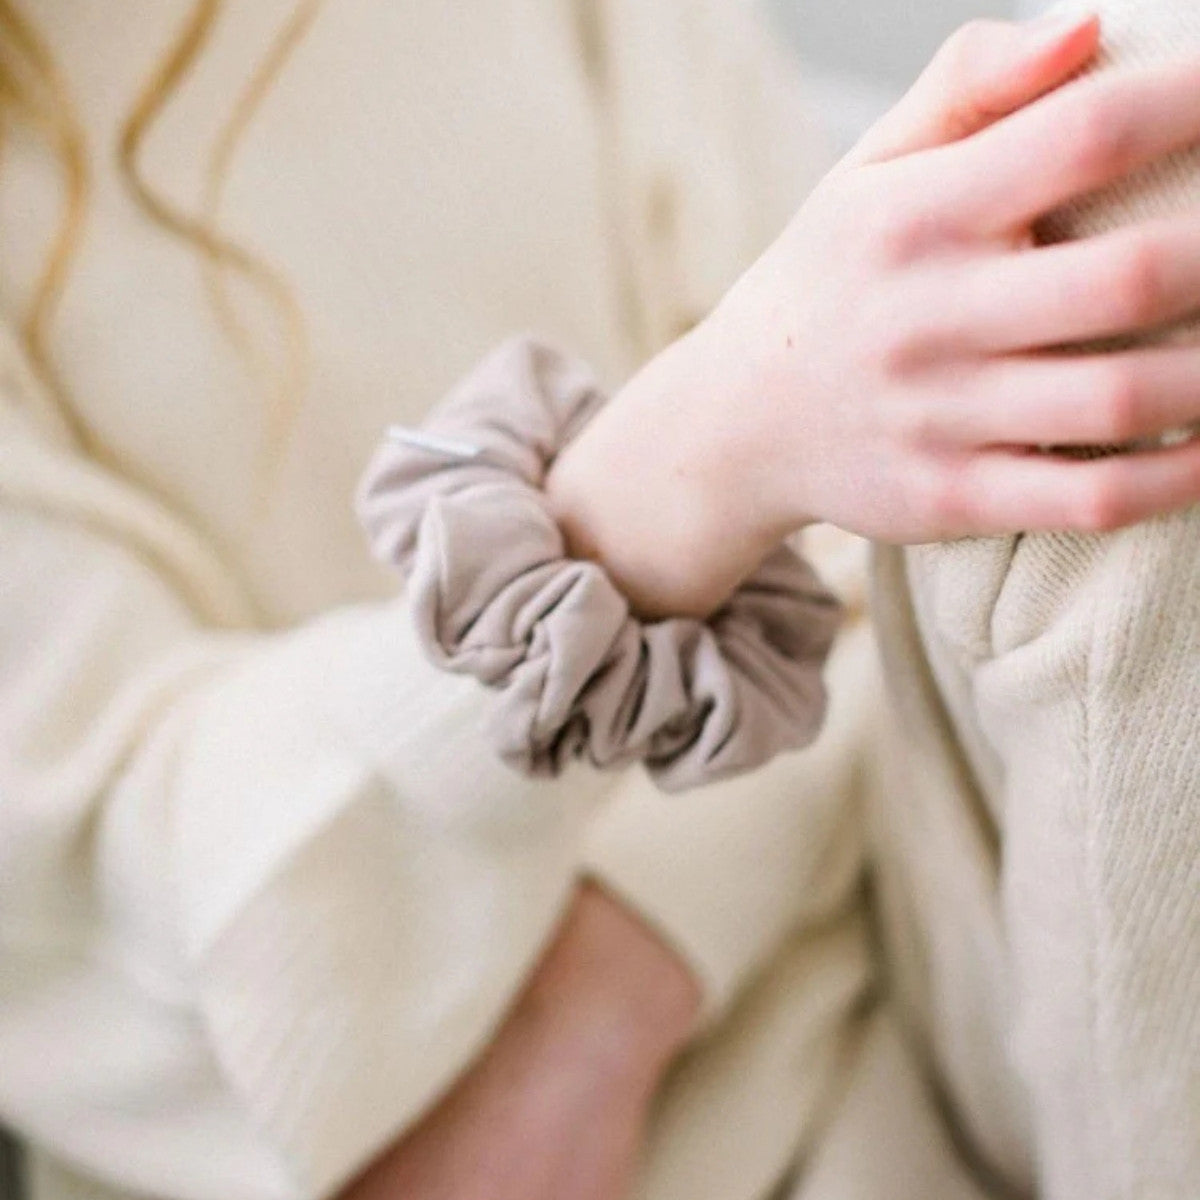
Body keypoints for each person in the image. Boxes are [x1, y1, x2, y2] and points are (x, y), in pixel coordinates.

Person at [0, 6, 1197, 1200]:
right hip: (400, 1140)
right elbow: (108, 924)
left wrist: (624, 964)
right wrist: (703, 460)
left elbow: (855, 524)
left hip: (888, 927)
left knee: (1128, 157)